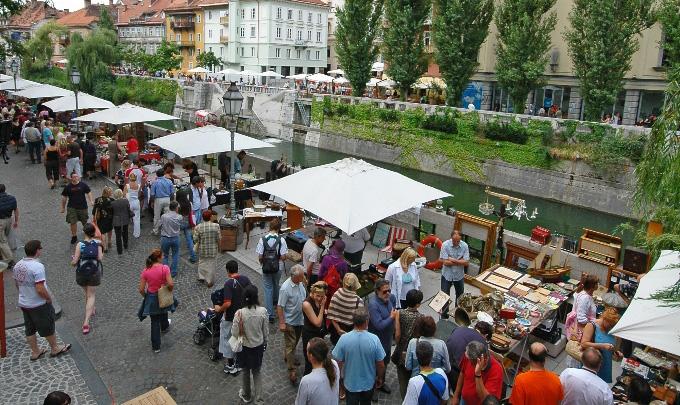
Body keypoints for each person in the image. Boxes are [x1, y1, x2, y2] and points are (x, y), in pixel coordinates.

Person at [12, 240, 72, 360]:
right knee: (47, 325)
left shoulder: (17, 265)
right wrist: (48, 298)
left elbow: (17, 284)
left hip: (24, 302)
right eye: (40, 249)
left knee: (30, 329)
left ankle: (35, 352)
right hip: (37, 303)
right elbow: (40, 288)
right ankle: (55, 348)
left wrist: (24, 294)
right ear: (37, 251)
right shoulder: (37, 266)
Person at [332, 307, 386, 405]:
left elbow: (338, 363)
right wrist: (380, 378)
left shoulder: (344, 339)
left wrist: (339, 380)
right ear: (367, 321)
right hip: (368, 383)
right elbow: (381, 364)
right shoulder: (374, 339)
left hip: (350, 383)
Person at [232, 285, 269, 405]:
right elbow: (266, 331)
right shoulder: (263, 311)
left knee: (246, 371)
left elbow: (234, 332)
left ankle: (246, 395)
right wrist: (265, 342)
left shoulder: (239, 313)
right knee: (257, 372)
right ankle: (259, 399)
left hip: (245, 348)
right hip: (258, 347)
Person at [216, 260, 252, 376]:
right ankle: (239, 362)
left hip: (231, 317)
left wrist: (219, 309)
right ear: (237, 269)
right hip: (243, 315)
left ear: (227, 271)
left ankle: (231, 365)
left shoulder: (228, 284)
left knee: (228, 340)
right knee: (239, 338)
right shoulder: (245, 279)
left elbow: (227, 303)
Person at [138, 249, 175, 353]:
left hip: (152, 296)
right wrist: (169, 290)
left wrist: (146, 296)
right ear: (158, 258)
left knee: (154, 321)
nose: (163, 257)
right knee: (163, 310)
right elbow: (171, 284)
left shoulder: (146, 271)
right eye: (162, 256)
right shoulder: (165, 268)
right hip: (162, 294)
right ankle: (164, 327)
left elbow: (141, 289)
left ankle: (156, 347)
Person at [69, 222, 103, 335]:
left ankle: (89, 314)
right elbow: (100, 258)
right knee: (91, 295)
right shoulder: (98, 243)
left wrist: (73, 261)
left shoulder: (80, 245)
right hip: (94, 273)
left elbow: (74, 262)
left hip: (82, 273)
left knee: (87, 293)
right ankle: (86, 322)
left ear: (84, 232)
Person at [277, 265, 308, 385]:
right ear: (294, 277)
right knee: (290, 345)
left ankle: (288, 356)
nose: (303, 277)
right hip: (289, 321)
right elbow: (280, 306)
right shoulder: (285, 288)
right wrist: (282, 322)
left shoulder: (301, 283)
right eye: (301, 276)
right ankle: (292, 370)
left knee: (294, 343)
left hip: (300, 319)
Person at [368, 279, 397, 397]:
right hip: (377, 341)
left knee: (385, 362)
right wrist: (391, 318)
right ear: (377, 291)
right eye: (385, 292)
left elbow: (394, 309)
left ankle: (382, 382)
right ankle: (372, 388)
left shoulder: (391, 298)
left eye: (389, 290)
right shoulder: (373, 305)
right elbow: (379, 325)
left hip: (387, 339)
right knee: (375, 365)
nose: (388, 294)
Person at [393, 289, 425, 399]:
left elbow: (397, 334)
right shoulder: (422, 317)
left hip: (401, 349)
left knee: (402, 380)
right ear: (417, 304)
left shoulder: (399, 313)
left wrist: (399, 345)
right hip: (414, 352)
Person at [256, 218, 288, 323]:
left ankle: (270, 314)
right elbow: (283, 257)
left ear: (270, 227)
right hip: (278, 266)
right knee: (276, 284)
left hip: (266, 267)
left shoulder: (262, 239)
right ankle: (276, 302)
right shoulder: (281, 240)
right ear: (279, 228)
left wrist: (263, 262)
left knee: (267, 288)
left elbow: (260, 256)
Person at [450, 340, 503, 405]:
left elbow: (485, 399)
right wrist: (456, 395)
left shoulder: (497, 370)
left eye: (473, 363)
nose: (471, 365)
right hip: (464, 400)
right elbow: (462, 372)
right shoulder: (468, 357)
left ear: (484, 359)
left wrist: (478, 374)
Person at [580, 307, 622, 383]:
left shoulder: (613, 329)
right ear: (604, 319)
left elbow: (613, 346)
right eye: (610, 324)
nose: (611, 327)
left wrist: (616, 352)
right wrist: (602, 346)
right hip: (591, 363)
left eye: (613, 325)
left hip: (605, 363)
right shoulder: (592, 325)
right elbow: (583, 344)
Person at [446, 322, 492, 391]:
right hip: (456, 369)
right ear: (486, 335)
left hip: (445, 360)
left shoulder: (460, 328)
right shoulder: (482, 342)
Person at [403, 340, 450, 405]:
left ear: (417, 356)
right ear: (432, 356)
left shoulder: (414, 382)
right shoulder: (441, 373)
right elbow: (445, 400)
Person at [566, 273, 599, 367]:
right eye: (596, 283)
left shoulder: (583, 294)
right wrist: (593, 323)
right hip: (582, 330)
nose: (598, 285)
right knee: (577, 352)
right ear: (593, 286)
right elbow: (581, 318)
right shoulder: (585, 298)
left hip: (582, 328)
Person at [296, 337, 340, 405]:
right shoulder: (334, 364)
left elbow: (300, 403)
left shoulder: (306, 381)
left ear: (311, 356)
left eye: (307, 350)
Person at [327, 273, 364, 345]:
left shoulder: (336, 294)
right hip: (350, 332)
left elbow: (331, 315)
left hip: (336, 331)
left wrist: (338, 330)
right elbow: (360, 323)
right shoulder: (358, 301)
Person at [439, 230, 469, 318]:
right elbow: (445, 262)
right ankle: (444, 316)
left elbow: (467, 262)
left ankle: (457, 315)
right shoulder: (445, 245)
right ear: (451, 238)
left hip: (459, 276)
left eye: (458, 241)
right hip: (447, 275)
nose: (456, 243)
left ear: (460, 239)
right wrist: (460, 261)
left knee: (460, 297)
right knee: (444, 297)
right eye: (454, 241)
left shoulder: (465, 246)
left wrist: (452, 259)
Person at [301, 281, 328, 376]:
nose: (320, 298)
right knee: (310, 362)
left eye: (322, 296)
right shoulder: (306, 304)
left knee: (319, 358)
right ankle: (307, 380)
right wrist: (323, 306)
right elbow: (317, 322)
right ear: (312, 292)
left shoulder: (320, 298)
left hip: (319, 334)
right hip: (309, 334)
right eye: (318, 296)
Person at [60, 173, 93, 245]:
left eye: (76, 176)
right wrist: (63, 207)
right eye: (73, 177)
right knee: (73, 222)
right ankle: (74, 236)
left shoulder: (83, 185)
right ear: (71, 178)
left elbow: (89, 192)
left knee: (84, 221)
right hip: (72, 207)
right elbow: (64, 197)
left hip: (83, 207)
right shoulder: (68, 187)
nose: (75, 178)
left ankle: (87, 234)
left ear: (78, 177)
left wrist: (91, 201)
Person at [192, 210, 220, 287]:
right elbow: (218, 239)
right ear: (210, 217)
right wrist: (220, 248)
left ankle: (201, 276)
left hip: (202, 249)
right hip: (213, 249)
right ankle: (210, 281)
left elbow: (195, 239)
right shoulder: (216, 226)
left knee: (201, 263)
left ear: (203, 218)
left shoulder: (198, 227)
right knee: (211, 265)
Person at [319, 239, 350, 304]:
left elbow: (320, 273)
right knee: (331, 302)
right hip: (335, 287)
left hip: (325, 284)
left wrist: (319, 282)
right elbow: (344, 276)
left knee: (322, 300)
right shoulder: (343, 263)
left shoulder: (326, 258)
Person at [159, 201, 182, 277]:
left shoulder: (164, 216)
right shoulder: (179, 217)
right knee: (175, 255)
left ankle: (166, 272)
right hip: (175, 237)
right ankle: (173, 272)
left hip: (165, 238)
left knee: (165, 255)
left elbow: (159, 225)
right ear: (176, 208)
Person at [150, 167, 174, 235]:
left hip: (158, 200)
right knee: (167, 215)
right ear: (164, 174)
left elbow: (152, 194)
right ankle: (167, 230)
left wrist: (152, 202)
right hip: (167, 199)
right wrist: (171, 200)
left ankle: (156, 230)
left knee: (157, 216)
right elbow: (172, 193)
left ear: (157, 175)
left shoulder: (155, 182)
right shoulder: (169, 181)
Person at [0, 183, 19, 265]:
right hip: (9, 219)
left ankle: (9, 259)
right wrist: (16, 221)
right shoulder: (12, 198)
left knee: (2, 241)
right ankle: (5, 253)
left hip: (0, 222)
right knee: (7, 237)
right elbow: (16, 210)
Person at [92, 187, 114, 252]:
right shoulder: (112, 200)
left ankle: (104, 247)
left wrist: (94, 218)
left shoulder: (98, 200)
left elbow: (94, 210)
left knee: (103, 233)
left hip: (101, 219)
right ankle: (109, 241)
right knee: (109, 230)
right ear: (109, 193)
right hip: (110, 218)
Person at [111, 189, 132, 255]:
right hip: (125, 220)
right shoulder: (126, 201)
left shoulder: (112, 203)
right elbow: (128, 209)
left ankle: (119, 251)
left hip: (116, 221)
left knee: (118, 236)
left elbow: (111, 213)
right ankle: (125, 245)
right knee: (125, 233)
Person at [126, 173, 142, 238]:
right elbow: (139, 194)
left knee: (126, 217)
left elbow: (124, 195)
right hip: (136, 202)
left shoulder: (127, 185)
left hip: (129, 202)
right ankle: (137, 234)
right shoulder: (138, 185)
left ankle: (125, 232)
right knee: (137, 219)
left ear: (129, 178)